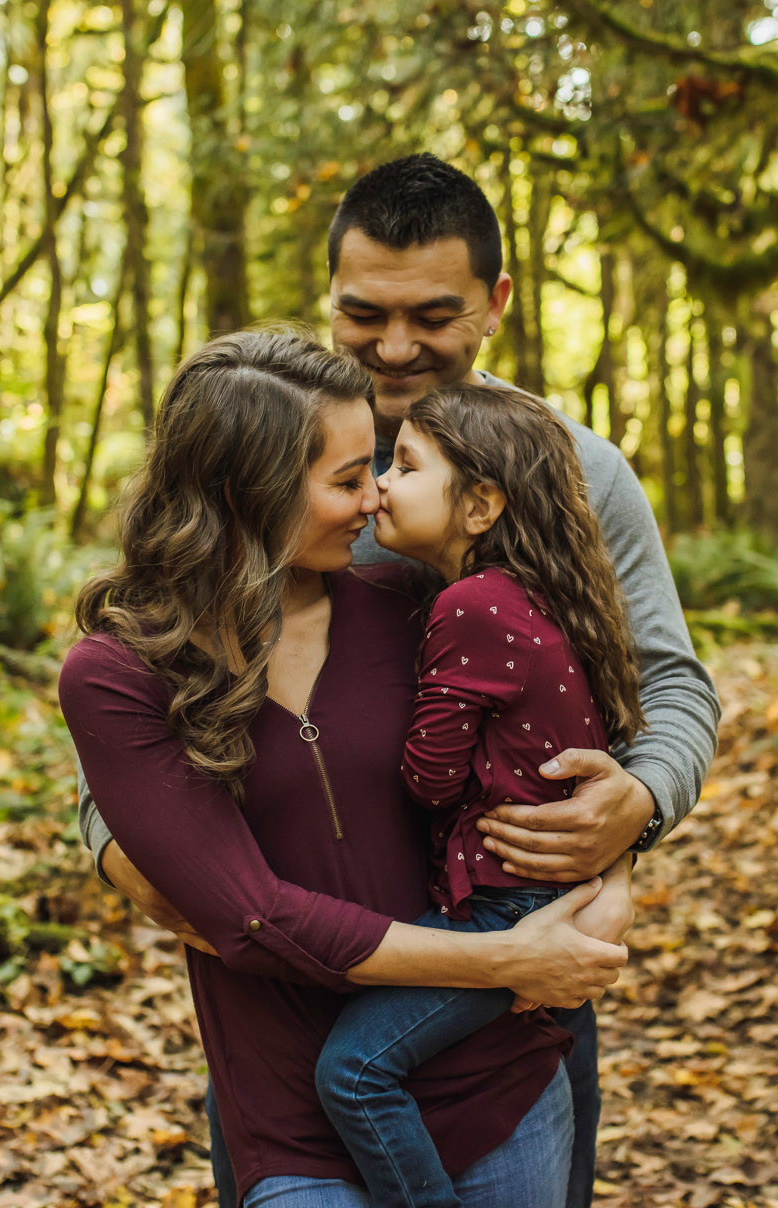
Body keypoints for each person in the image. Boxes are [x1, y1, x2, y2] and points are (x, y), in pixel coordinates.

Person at [77, 153, 721, 1205]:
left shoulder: (571, 470)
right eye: (363, 313)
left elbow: (665, 683)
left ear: (496, 302)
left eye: (434, 314)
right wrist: (129, 853)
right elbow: (136, 699)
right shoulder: (247, 452)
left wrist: (636, 809)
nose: (394, 345)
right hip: (283, 1013)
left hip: (505, 968)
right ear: (328, 293)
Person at [60, 329, 626, 1208]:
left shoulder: (415, 605)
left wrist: (615, 856)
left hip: (494, 1081)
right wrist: (508, 959)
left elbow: (548, 753)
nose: (373, 502)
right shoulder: (119, 675)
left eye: (380, 469)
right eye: (347, 478)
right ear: (240, 490)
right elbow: (251, 917)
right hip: (296, 1117)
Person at [314, 382, 644, 1208]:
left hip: (502, 906)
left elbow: (430, 776)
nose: (382, 482)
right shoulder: (541, 597)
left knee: (353, 1072)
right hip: (540, 893)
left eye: (407, 465)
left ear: (479, 506)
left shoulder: (469, 606)